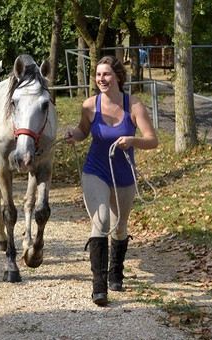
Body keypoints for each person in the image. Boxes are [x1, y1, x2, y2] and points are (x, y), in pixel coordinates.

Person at [65, 55, 158, 306]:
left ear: (118, 76)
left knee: (120, 226)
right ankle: (99, 285)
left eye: (106, 74)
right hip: (95, 170)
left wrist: (132, 140)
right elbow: (84, 130)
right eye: (97, 75)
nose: (101, 79)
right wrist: (74, 134)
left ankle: (116, 271)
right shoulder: (89, 105)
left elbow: (152, 140)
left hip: (124, 175)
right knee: (102, 220)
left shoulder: (134, 106)